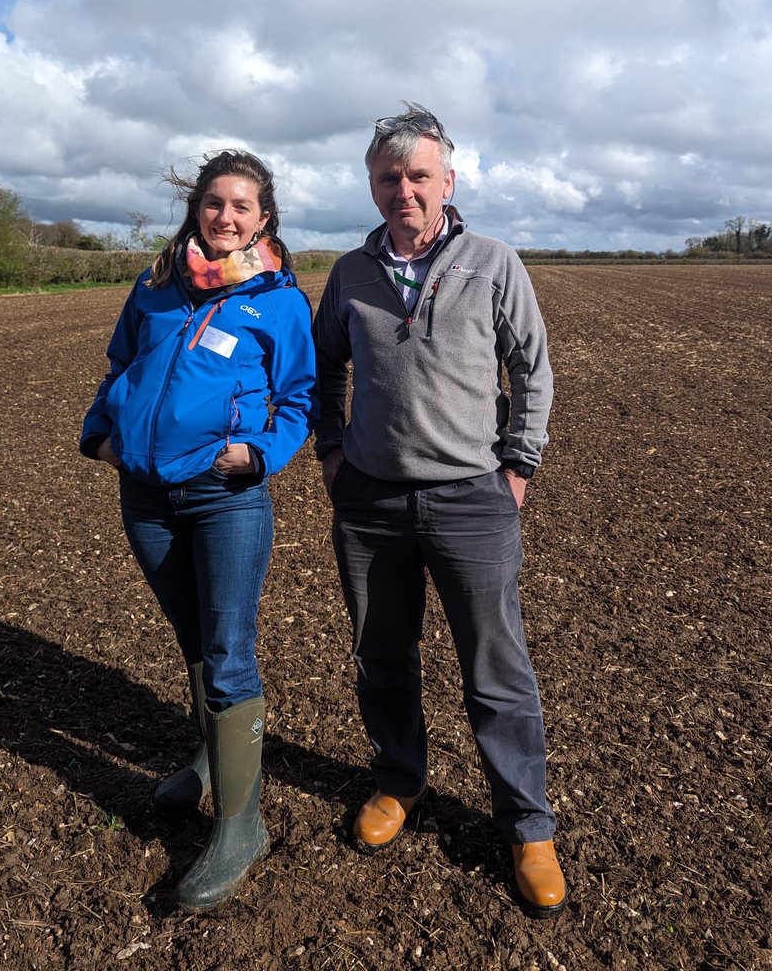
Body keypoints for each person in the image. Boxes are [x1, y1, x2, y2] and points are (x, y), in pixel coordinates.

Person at [313, 103, 565, 918]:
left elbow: (534, 369)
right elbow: (322, 376)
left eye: (419, 176)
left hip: (471, 500)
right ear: (374, 186)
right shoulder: (351, 273)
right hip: (373, 504)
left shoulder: (492, 261)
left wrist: (516, 467)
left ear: (447, 181)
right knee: (381, 655)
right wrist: (332, 456)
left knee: (496, 668)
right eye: (390, 178)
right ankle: (399, 782)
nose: (404, 190)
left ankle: (527, 825)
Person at [80, 150, 315, 912]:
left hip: (225, 497)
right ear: (198, 210)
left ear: (264, 218)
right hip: (144, 495)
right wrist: (101, 437)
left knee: (228, 650)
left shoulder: (277, 300)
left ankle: (240, 826)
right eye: (214, 203)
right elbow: (118, 367)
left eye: (241, 206)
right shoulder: (155, 287)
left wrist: (259, 453)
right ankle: (211, 761)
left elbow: (301, 398)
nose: (225, 217)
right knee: (193, 637)